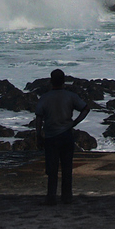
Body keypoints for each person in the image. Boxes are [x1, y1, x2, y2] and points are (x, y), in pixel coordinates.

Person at [35, 69, 89, 205]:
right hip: (66, 134)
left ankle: (51, 197)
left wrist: (38, 135)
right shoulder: (70, 96)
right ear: (64, 81)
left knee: (51, 169)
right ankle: (67, 197)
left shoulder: (45, 97)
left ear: (51, 81)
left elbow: (39, 118)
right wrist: (75, 122)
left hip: (51, 136)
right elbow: (85, 109)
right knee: (67, 168)